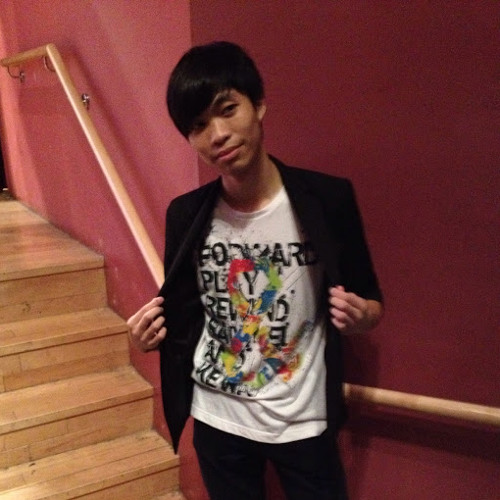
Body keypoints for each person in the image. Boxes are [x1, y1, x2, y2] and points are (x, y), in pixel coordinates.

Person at [127, 41, 383, 500]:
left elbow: (371, 300)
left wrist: (361, 316)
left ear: (259, 104)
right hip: (218, 419)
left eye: (228, 110)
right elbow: (186, 312)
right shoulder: (186, 214)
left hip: (303, 421)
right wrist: (149, 337)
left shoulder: (326, 200)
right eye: (198, 126)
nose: (218, 135)